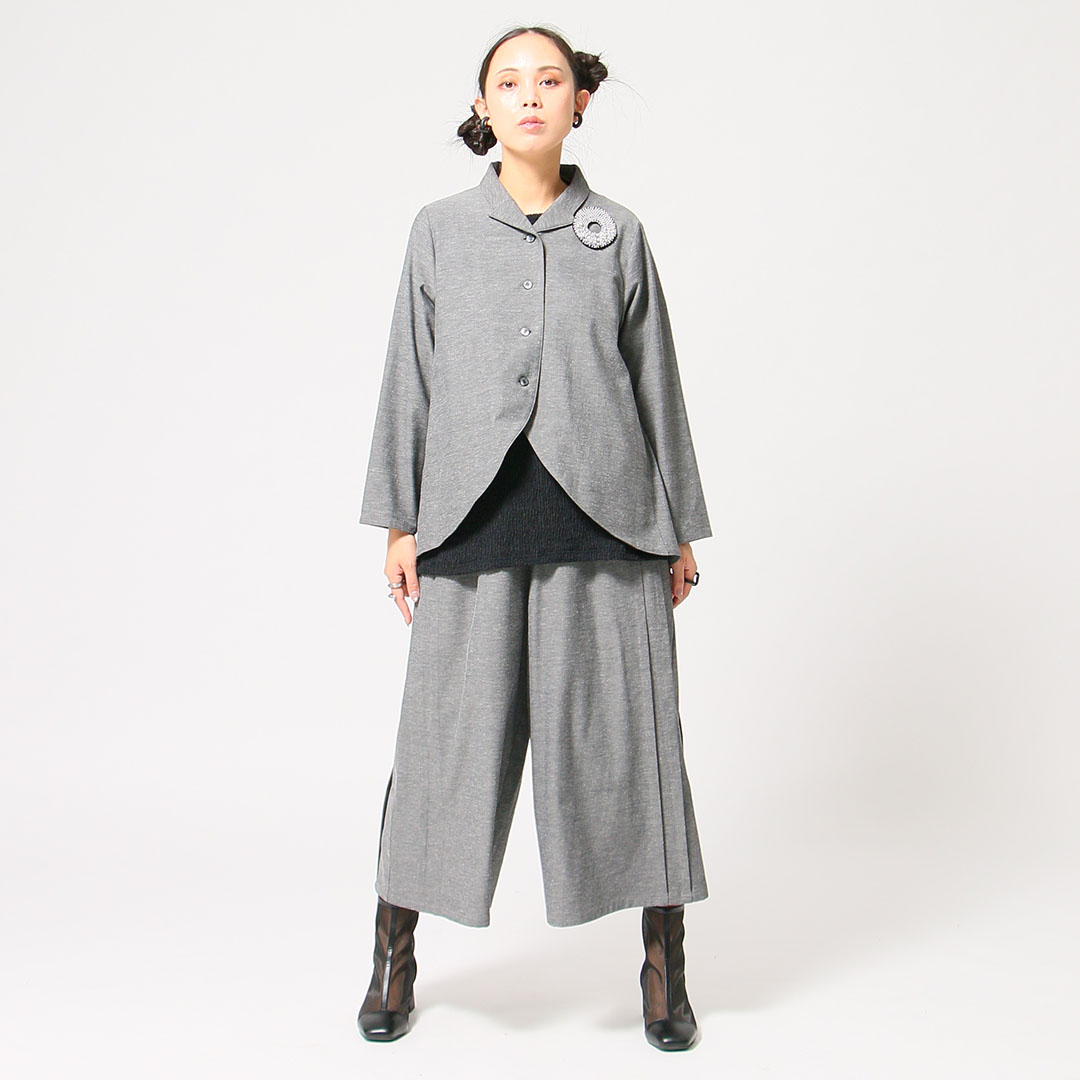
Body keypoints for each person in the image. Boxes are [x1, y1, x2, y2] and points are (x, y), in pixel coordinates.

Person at [356, 26, 713, 1052]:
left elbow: (657, 381)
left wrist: (680, 527)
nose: (529, 96)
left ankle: (664, 970)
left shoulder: (619, 232)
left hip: (608, 514)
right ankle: (392, 957)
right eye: (508, 82)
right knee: (444, 745)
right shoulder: (438, 231)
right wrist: (398, 520)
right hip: (468, 513)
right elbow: (409, 374)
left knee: (631, 742)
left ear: (578, 102)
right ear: (484, 106)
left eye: (548, 80)